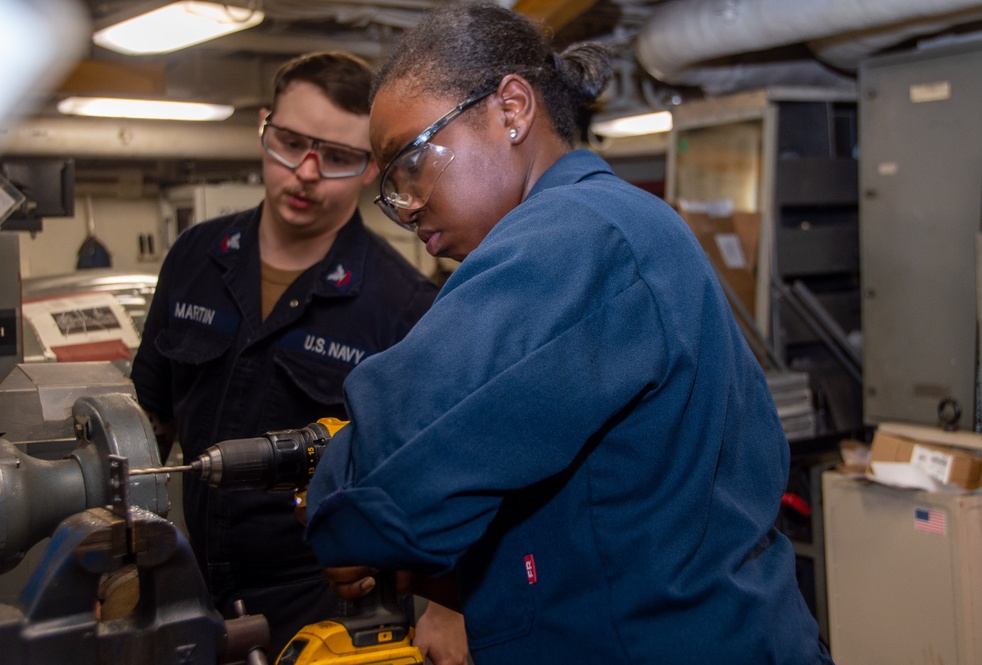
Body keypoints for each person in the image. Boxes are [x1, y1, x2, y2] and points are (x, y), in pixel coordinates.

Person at [303, 4, 834, 664]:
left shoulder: (570, 236)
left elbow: (391, 475)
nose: (406, 204)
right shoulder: (619, 220)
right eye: (390, 187)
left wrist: (335, 491)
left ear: (512, 108)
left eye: (412, 160)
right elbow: (606, 520)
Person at [130, 51, 468, 663]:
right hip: (186, 585)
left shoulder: (402, 306)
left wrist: (449, 601)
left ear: (371, 168)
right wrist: (118, 553)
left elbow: (446, 477)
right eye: (290, 143)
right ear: (264, 127)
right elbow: (148, 425)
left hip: (321, 608)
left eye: (337, 157)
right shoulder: (195, 257)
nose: (306, 172)